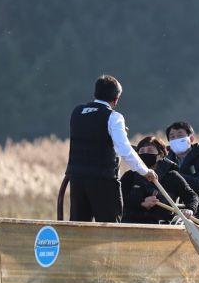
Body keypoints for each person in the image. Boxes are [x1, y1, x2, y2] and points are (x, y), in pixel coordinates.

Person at [65, 74, 156, 222]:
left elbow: (92, 136)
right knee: (110, 225)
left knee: (79, 225)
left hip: (76, 178)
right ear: (116, 99)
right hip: (103, 180)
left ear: (95, 93)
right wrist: (145, 171)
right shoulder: (114, 117)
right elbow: (124, 149)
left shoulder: (77, 112)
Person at [121, 136, 198, 224]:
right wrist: (141, 202)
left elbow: (191, 196)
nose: (145, 153)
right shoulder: (129, 175)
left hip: (161, 224)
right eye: (142, 151)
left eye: (150, 150)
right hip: (130, 222)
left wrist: (190, 209)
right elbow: (119, 198)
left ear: (161, 155)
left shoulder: (172, 176)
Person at [165, 121, 199, 221]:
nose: (176, 140)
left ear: (191, 139)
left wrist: (174, 175)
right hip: (175, 207)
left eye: (180, 136)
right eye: (172, 137)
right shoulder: (167, 158)